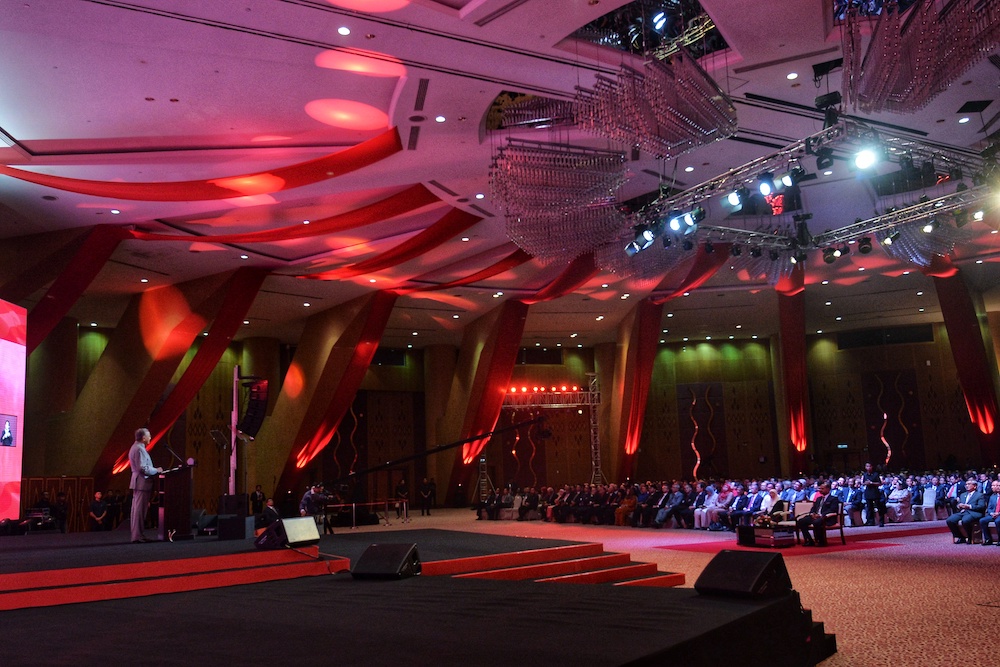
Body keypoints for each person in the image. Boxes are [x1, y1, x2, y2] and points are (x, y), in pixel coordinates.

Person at [129, 427, 163, 543]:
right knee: (139, 510)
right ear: (143, 438)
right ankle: (137, 536)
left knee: (137, 510)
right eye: (149, 436)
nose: (150, 438)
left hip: (139, 482)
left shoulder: (136, 447)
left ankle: (138, 535)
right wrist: (156, 470)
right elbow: (142, 467)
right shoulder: (139, 449)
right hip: (142, 482)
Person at [796, 482, 842, 547]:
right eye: (819, 488)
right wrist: (812, 514)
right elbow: (813, 508)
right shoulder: (819, 499)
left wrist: (821, 515)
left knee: (817, 522)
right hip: (816, 516)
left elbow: (832, 510)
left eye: (822, 488)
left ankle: (821, 541)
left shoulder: (833, 499)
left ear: (828, 489)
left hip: (827, 518)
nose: (820, 490)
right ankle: (809, 540)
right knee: (801, 521)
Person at [946, 478, 986, 544]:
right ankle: (961, 537)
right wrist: (959, 506)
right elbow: (959, 504)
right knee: (950, 520)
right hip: (963, 512)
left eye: (969, 484)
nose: (967, 486)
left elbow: (981, 506)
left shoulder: (979, 495)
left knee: (965, 520)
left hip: (974, 513)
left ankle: (970, 537)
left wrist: (969, 506)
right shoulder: (963, 495)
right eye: (966, 484)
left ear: (975, 486)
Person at [861, 462, 884, 527]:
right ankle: (871, 522)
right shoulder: (865, 475)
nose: (868, 468)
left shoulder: (876, 474)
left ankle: (881, 521)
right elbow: (863, 483)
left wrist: (871, 483)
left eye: (869, 466)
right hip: (868, 492)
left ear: (872, 467)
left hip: (875, 492)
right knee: (869, 508)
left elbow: (879, 483)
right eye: (867, 466)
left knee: (879, 507)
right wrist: (866, 483)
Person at [978, 479, 1000, 546]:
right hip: (993, 514)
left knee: (998, 521)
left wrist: (998, 513)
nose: (996, 487)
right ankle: (988, 539)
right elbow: (989, 508)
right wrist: (991, 513)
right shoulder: (993, 496)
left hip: (999, 515)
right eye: (993, 485)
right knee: (982, 520)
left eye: (998, 485)